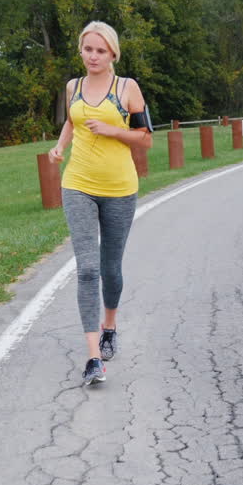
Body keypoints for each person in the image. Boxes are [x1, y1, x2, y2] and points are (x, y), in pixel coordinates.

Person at [47, 21, 153, 386]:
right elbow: (72, 124)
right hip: (78, 184)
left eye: (100, 51)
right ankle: (93, 357)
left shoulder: (127, 88)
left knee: (111, 269)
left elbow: (146, 139)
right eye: (87, 49)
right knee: (88, 269)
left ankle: (110, 326)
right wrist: (60, 146)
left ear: (112, 54)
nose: (93, 56)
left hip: (121, 188)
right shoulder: (72, 87)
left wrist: (113, 130)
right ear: (81, 50)